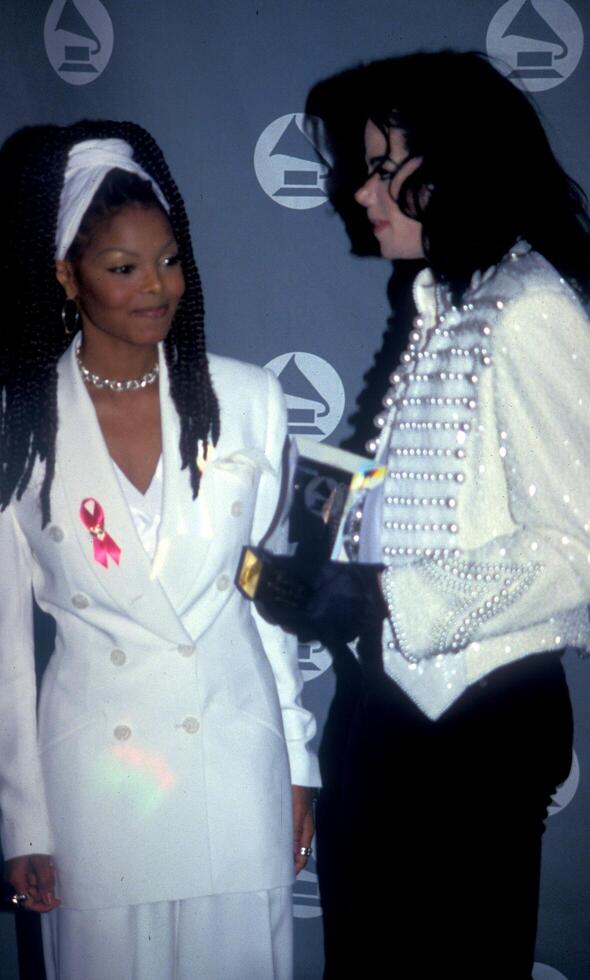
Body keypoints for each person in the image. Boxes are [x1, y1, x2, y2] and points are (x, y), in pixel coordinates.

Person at [0, 119, 319, 980]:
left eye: (168, 260)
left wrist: (298, 764)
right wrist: (24, 822)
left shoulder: (251, 400)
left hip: (234, 767)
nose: (158, 288)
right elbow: (0, 651)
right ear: (66, 276)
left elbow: (272, 607)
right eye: (123, 268)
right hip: (100, 787)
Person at [262, 51, 590, 978]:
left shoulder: (527, 309)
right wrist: (332, 581)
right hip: (391, 711)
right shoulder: (448, 305)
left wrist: (377, 599)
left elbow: (579, 548)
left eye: (379, 166)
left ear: (453, 167)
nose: (356, 192)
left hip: (475, 731)